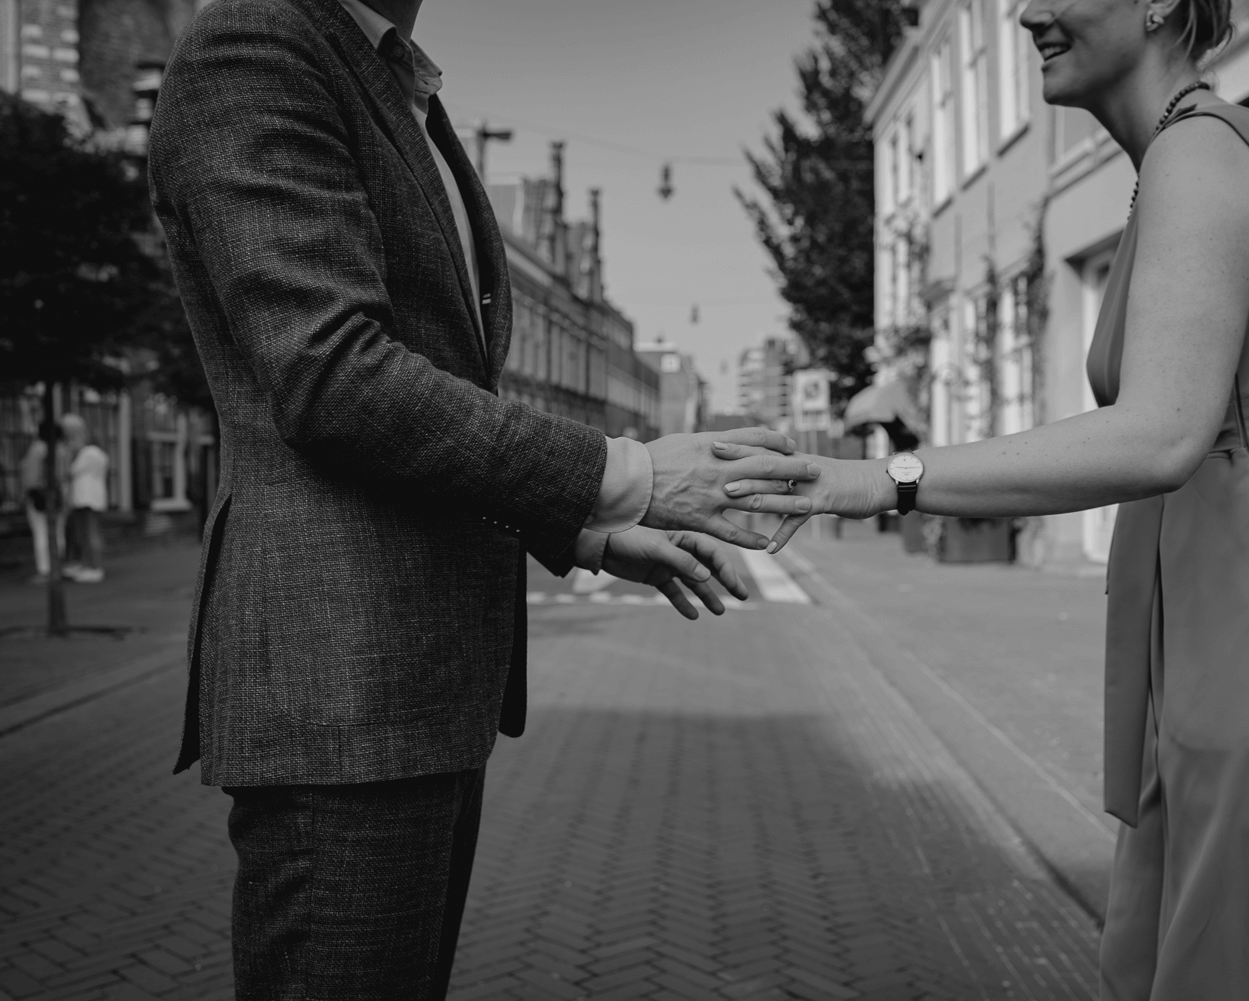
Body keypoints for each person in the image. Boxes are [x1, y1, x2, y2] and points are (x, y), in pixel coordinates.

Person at [741, 0, 1249, 996]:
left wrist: (878, 479)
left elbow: (1160, 431)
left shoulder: (1201, 158)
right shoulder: (1184, 160)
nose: (1028, 10)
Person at [147, 0, 816, 996]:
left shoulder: (397, 77)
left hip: (413, 677)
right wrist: (624, 472)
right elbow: (332, 375)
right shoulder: (257, 39)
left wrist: (582, 528)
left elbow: (421, 392)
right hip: (343, 680)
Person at [61, 414, 109, 584]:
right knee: (89, 533)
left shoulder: (88, 453)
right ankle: (89, 565)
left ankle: (94, 567)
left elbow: (70, 471)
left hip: (85, 497)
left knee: (89, 534)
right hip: (94, 497)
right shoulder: (101, 454)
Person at [19, 429, 65, 583]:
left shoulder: (37, 449)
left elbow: (30, 477)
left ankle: (45, 570)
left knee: (41, 531)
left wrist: (28, 492)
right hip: (57, 493)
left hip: (39, 495)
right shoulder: (61, 449)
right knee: (57, 531)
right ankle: (57, 566)